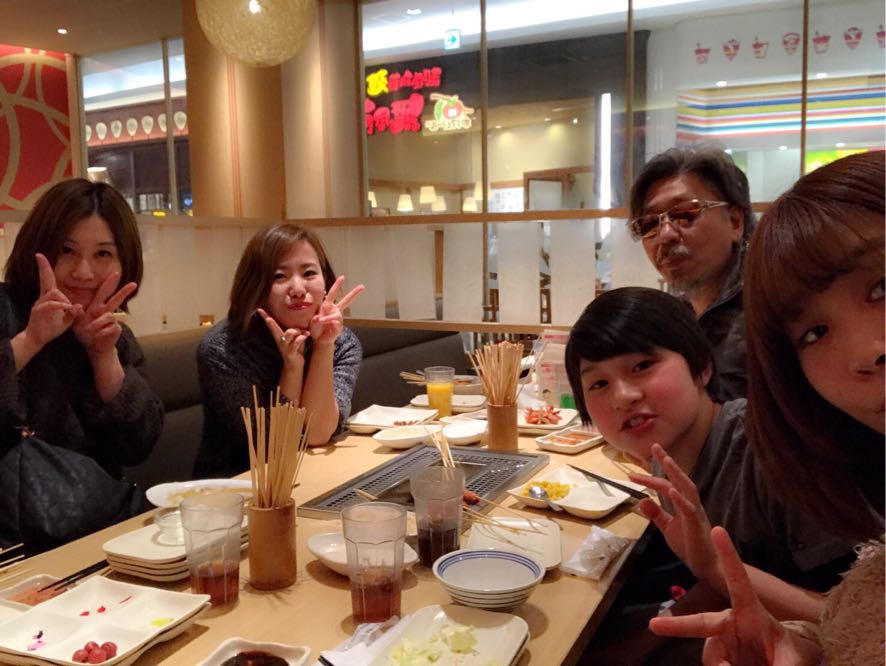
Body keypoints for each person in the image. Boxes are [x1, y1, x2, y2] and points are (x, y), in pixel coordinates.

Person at [646, 150, 884, 664]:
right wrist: (811, 649)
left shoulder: (750, 327)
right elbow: (862, 613)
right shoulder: (691, 317)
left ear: (736, 221)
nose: (866, 353)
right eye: (815, 333)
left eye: (684, 214)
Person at [564, 287, 856, 662]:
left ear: (702, 367)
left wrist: (712, 567)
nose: (623, 396)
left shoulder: (774, 452)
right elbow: (722, 582)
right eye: (598, 384)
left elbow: (854, 618)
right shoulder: (665, 460)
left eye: (642, 366)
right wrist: (639, 644)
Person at [0, 178, 163, 549]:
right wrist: (31, 340)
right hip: (15, 549)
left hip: (95, 533)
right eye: (67, 250)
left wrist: (103, 357)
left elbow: (139, 445)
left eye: (103, 254)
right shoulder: (5, 310)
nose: (83, 272)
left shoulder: (116, 338)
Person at [194, 223, 364, 478]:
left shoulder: (342, 342)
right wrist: (292, 368)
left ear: (326, 282)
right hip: (236, 487)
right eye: (279, 277)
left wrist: (323, 346)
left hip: (312, 477)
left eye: (309, 273)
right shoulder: (224, 349)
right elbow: (273, 448)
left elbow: (317, 435)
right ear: (256, 288)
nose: (298, 289)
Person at [628, 146, 754, 400]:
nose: (666, 234)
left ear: (735, 222)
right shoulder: (674, 315)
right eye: (650, 224)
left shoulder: (771, 306)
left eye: (685, 214)